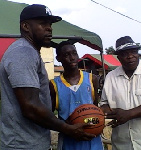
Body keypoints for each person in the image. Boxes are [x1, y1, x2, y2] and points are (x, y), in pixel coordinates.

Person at [0, 4, 95, 150]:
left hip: (29, 142)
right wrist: (67, 128)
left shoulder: (29, 52)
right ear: (25, 26)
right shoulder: (23, 52)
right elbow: (30, 107)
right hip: (22, 145)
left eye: (50, 24)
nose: (49, 28)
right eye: (42, 23)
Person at [49, 41, 103, 150]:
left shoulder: (92, 79)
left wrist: (95, 123)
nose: (72, 57)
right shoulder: (53, 85)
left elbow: (95, 108)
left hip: (92, 139)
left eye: (74, 53)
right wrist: (68, 126)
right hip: (68, 140)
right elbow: (49, 116)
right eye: (66, 55)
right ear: (58, 58)